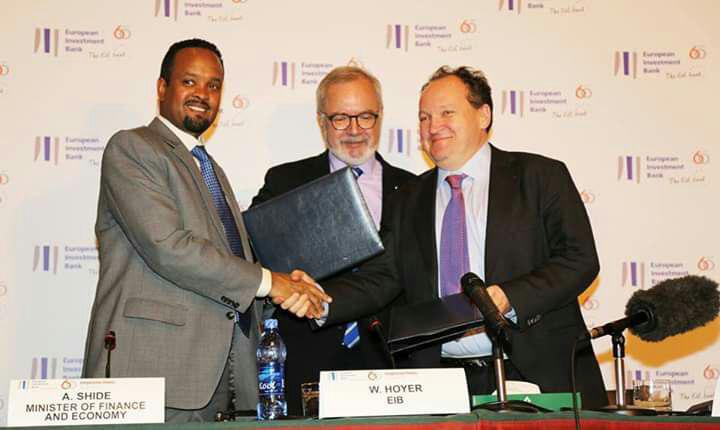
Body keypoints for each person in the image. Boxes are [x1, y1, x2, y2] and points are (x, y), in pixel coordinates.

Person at [81, 38, 330, 423]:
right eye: (189, 82)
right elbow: (169, 247)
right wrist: (270, 283)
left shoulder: (212, 170)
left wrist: (290, 289)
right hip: (156, 373)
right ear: (161, 87)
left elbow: (230, 269)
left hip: (225, 381)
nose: (202, 94)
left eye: (213, 85)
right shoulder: (133, 148)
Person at [385, 66, 607, 408]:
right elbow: (383, 280)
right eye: (424, 117)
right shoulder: (406, 198)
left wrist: (508, 297)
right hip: (440, 385)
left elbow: (580, 260)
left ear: (483, 115)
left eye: (446, 113)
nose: (433, 126)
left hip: (536, 373)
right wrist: (321, 298)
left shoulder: (540, 176)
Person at [251, 66, 415, 415]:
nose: (354, 130)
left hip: (393, 365)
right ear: (321, 121)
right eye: (340, 118)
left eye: (365, 116)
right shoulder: (285, 181)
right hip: (304, 361)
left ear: (380, 116)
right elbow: (254, 253)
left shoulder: (414, 189)